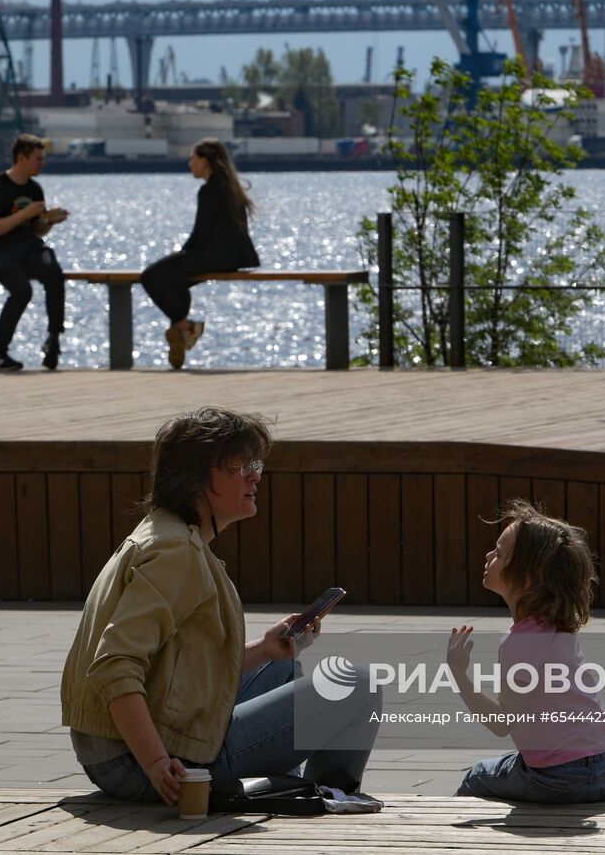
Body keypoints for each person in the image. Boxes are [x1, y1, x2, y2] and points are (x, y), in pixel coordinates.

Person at [61, 406, 380, 805]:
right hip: (146, 763)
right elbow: (114, 663)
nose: (256, 476)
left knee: (280, 667)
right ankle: (325, 794)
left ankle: (287, 791)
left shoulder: (167, 533)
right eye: (240, 466)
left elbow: (176, 667)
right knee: (356, 685)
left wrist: (265, 650)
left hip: (117, 750)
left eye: (256, 463)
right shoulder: (175, 553)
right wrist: (158, 764)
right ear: (196, 480)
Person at [446, 501, 605, 804]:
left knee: (477, 776)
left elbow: (502, 723)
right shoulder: (559, 628)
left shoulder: (520, 642)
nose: (488, 556)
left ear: (526, 580)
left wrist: (458, 673)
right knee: (509, 766)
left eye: (499, 554)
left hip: (561, 777)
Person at [141, 138, 259, 370]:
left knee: (151, 277)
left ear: (204, 162)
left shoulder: (209, 191)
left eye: (193, 158)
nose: (189, 163)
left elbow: (200, 233)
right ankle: (183, 329)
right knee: (175, 280)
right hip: (234, 257)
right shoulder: (228, 187)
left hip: (217, 255)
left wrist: (181, 254)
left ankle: (186, 327)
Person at [0, 134, 68, 372]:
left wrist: (49, 221)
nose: (42, 164)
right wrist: (24, 215)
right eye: (38, 159)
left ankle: (54, 339)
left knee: (54, 275)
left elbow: (37, 231)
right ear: (21, 158)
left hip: (28, 250)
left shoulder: (34, 189)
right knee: (21, 291)